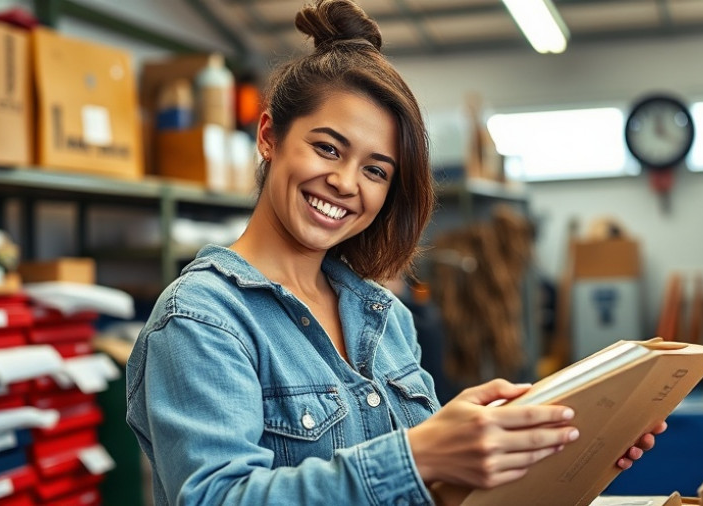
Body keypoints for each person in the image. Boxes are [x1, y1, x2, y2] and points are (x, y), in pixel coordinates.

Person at [125, 1, 666, 504]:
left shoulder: (386, 319)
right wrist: (420, 453)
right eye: (327, 148)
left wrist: (569, 453)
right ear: (269, 135)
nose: (344, 182)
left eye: (375, 170)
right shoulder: (203, 320)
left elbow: (423, 493)